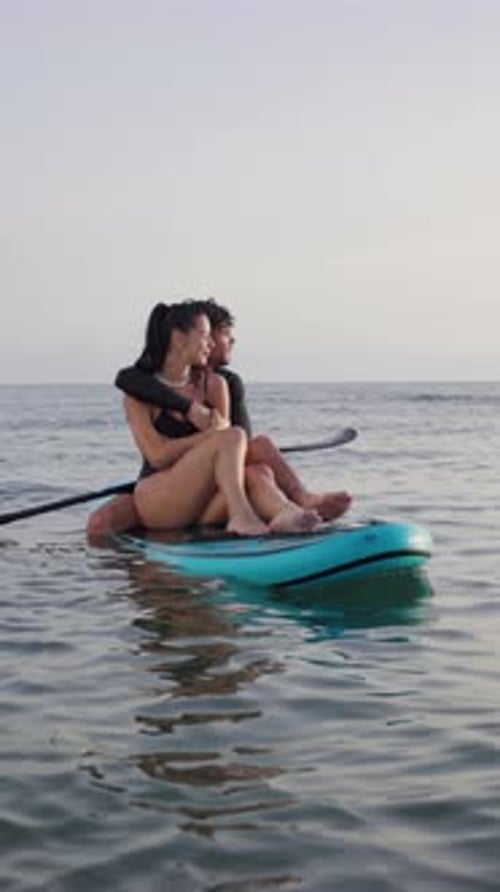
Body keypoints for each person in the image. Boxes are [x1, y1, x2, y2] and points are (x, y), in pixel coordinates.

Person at [86, 299, 352, 538]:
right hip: (160, 500)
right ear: (179, 338)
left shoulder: (215, 385)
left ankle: (290, 513)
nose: (211, 343)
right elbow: (157, 455)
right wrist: (209, 437)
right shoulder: (137, 395)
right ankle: (243, 515)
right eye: (205, 335)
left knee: (256, 469)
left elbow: (230, 452)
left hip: (205, 500)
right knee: (233, 436)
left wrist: (217, 440)